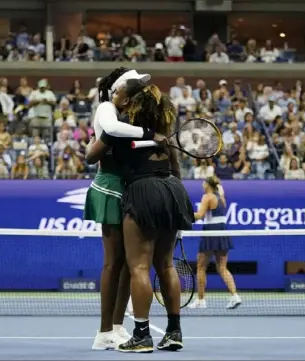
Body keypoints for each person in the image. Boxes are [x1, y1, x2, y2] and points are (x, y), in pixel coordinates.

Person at [86, 79, 194, 353]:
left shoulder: (119, 126)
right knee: (166, 266)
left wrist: (92, 141)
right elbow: (175, 166)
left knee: (139, 268)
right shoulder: (162, 129)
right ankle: (173, 332)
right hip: (173, 190)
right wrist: (175, 206)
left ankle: (142, 335)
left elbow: (92, 155)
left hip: (144, 191)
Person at [83, 67, 158, 350]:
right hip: (108, 186)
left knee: (129, 265)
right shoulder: (105, 108)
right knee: (113, 263)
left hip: (126, 187)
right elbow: (113, 132)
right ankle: (103, 332)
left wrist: (156, 138)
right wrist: (150, 133)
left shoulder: (128, 113)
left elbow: (135, 141)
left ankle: (116, 326)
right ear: (120, 90)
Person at [188, 176, 242, 309]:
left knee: (201, 267)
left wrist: (184, 212)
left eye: (204, 182)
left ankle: (201, 300)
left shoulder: (207, 197)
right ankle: (235, 296)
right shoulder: (221, 198)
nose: (202, 184)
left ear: (207, 184)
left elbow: (199, 215)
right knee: (222, 267)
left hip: (211, 232)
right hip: (222, 232)